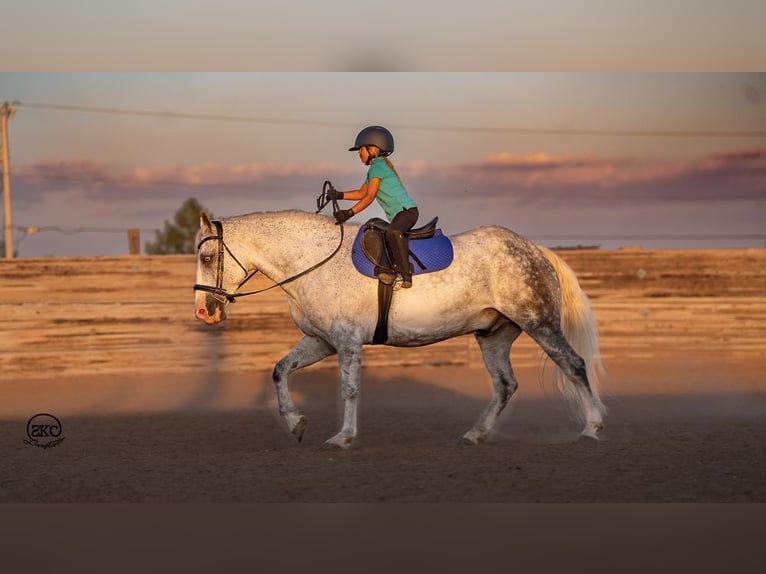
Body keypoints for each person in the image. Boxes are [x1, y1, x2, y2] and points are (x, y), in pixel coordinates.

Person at [329, 125, 419, 288]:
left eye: (360, 149)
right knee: (374, 224)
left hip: (407, 212)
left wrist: (349, 213)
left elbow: (370, 197)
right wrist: (339, 195)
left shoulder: (378, 166)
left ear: (372, 149)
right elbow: (363, 192)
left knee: (393, 232)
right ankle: (388, 267)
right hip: (401, 214)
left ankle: (406, 275)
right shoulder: (375, 168)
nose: (358, 153)